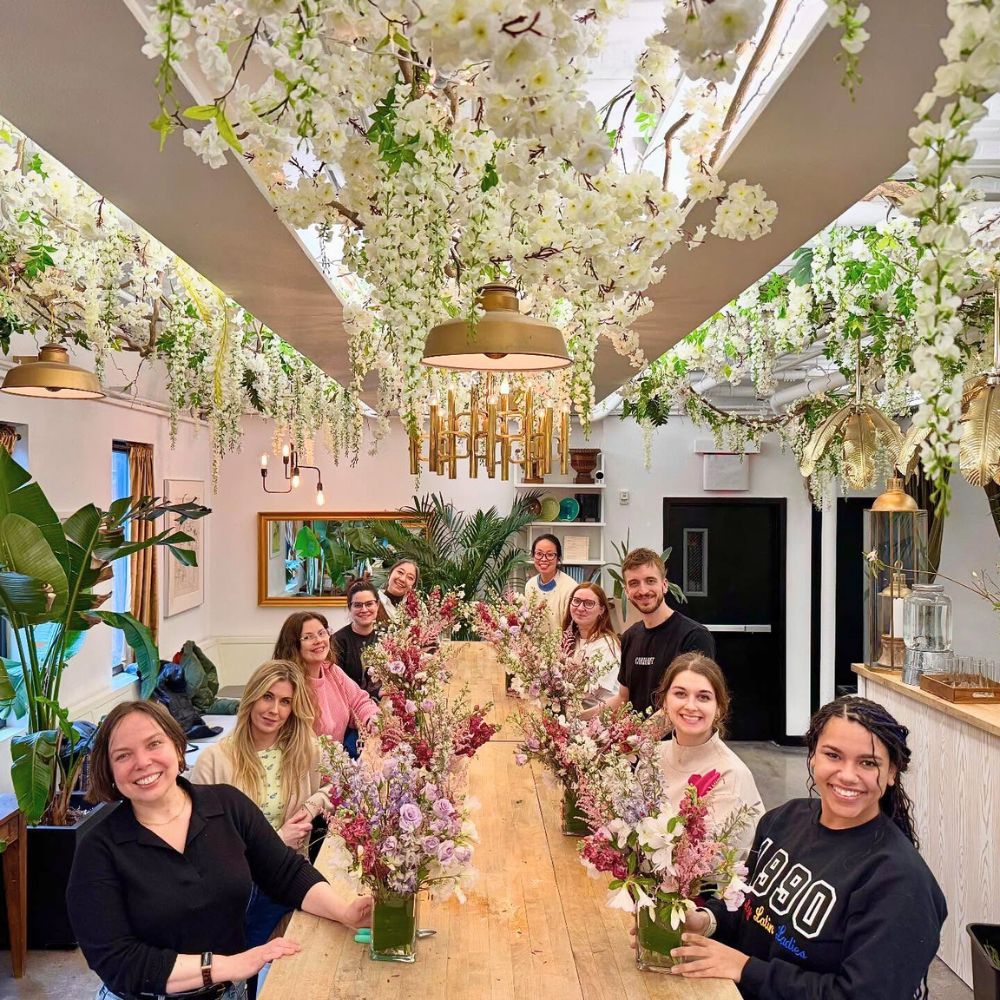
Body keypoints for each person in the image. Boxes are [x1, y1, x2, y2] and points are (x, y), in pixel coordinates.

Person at [67, 700, 371, 1000]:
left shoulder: (226, 805)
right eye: (123, 755)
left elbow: (285, 872)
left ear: (177, 745)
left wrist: (345, 912)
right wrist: (226, 965)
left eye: (154, 743)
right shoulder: (98, 850)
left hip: (227, 992)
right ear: (109, 770)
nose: (142, 762)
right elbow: (117, 961)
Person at [668, 695, 946, 999]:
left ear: (892, 772)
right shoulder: (782, 820)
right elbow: (747, 907)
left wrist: (747, 969)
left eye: (868, 763)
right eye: (833, 755)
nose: (847, 775)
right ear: (812, 756)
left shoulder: (901, 883)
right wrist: (705, 921)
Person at [191, 660, 329, 996]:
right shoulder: (215, 760)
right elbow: (202, 845)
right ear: (251, 697)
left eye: (285, 702)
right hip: (239, 887)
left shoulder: (305, 750)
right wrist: (277, 841)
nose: (274, 710)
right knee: (241, 972)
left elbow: (337, 785)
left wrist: (310, 807)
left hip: (288, 877)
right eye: (268, 697)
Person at [652, 652, 764, 858]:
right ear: (664, 702)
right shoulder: (652, 756)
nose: (690, 706)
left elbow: (707, 864)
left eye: (703, 697)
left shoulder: (731, 775)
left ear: (719, 708)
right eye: (680, 694)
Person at [605, 547, 714, 717]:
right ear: (626, 591)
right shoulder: (629, 637)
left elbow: (687, 705)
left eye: (650, 581)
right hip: (636, 734)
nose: (643, 590)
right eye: (634, 583)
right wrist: (576, 717)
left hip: (676, 735)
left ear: (664, 585)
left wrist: (639, 733)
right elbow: (622, 698)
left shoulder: (694, 636)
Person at [273, 611, 378, 748]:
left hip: (338, 756)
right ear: (293, 645)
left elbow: (359, 702)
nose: (319, 641)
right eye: (308, 637)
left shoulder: (331, 670)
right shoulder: (286, 683)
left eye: (322, 633)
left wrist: (372, 720)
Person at [561, 582, 621, 710]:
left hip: (599, 716)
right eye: (576, 601)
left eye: (589, 603)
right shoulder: (571, 639)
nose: (580, 608)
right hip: (573, 712)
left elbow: (590, 691)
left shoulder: (606, 645)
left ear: (601, 610)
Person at [332, 580, 381, 699]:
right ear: (350, 608)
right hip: (352, 704)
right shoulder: (337, 641)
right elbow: (336, 685)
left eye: (369, 604)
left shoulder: (388, 635)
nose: (364, 610)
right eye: (358, 605)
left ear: (377, 605)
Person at [524, 534, 577, 634]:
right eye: (539, 554)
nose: (544, 559)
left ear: (558, 558)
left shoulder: (570, 587)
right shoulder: (530, 585)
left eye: (550, 554)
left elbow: (571, 628)